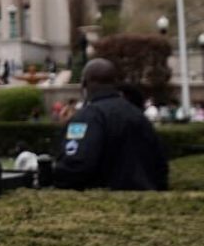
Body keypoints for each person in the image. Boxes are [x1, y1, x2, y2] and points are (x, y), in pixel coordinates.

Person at [54, 58, 168, 191]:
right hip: (145, 200)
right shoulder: (137, 114)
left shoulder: (88, 116)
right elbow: (160, 164)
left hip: (103, 201)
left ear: (84, 83)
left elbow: (74, 165)